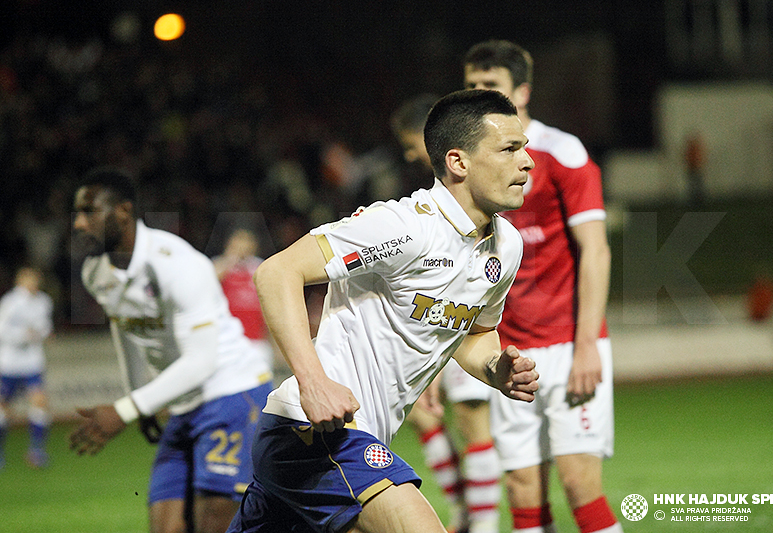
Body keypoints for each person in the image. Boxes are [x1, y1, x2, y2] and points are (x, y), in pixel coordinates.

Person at [226, 88, 538, 533]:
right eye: (509, 149)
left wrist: (494, 368)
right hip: (315, 431)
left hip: (341, 442)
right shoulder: (403, 227)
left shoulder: (506, 248)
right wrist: (314, 383)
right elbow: (276, 273)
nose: (527, 162)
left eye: (523, 147)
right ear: (458, 162)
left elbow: (472, 334)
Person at [464, 40, 621, 533]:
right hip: (507, 351)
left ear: (522, 92)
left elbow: (595, 250)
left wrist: (587, 346)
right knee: (522, 492)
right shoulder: (463, 162)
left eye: (491, 86)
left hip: (567, 342)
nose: (478, 94)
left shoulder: (560, 152)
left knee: (579, 485)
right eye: (471, 86)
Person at [68, 167, 273, 533]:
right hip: (184, 404)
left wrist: (126, 409)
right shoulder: (94, 272)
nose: (79, 223)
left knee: (215, 524)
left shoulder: (177, 264)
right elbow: (126, 332)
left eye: (89, 211)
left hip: (232, 393)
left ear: (123, 211)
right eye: (77, 213)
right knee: (165, 527)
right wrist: (140, 400)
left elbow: (202, 361)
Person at [391, 93, 503, 533]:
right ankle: (464, 513)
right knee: (428, 417)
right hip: (442, 320)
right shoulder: (431, 197)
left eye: (409, 142)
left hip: (471, 317)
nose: (407, 153)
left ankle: (484, 524)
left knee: (474, 424)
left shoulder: (469, 185)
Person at [0, 266, 54, 470]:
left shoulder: (43, 301)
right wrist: (24, 335)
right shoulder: (10, 302)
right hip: (9, 365)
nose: (33, 284)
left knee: (39, 403)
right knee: (3, 410)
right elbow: (2, 331)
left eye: (35, 280)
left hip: (33, 363)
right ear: (20, 281)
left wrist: (41, 333)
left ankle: (36, 450)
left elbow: (46, 326)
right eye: (29, 280)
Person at [213, 229, 275, 374]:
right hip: (226, 341)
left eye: (246, 241)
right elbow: (207, 283)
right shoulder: (220, 265)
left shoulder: (260, 267)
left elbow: (269, 304)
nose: (243, 246)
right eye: (238, 242)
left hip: (256, 342)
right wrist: (230, 259)